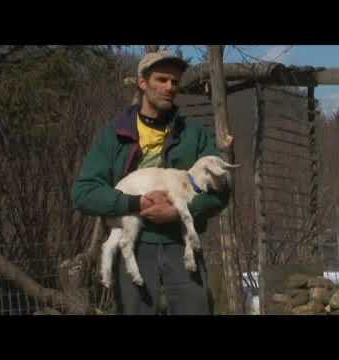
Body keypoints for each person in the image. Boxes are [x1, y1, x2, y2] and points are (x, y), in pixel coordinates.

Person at [72, 51, 230, 315]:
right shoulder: (115, 136)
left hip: (182, 248)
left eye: (175, 82)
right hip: (135, 246)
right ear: (142, 83)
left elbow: (222, 192)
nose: (170, 87)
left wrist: (180, 211)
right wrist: (134, 203)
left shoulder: (194, 136)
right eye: (161, 79)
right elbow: (84, 193)